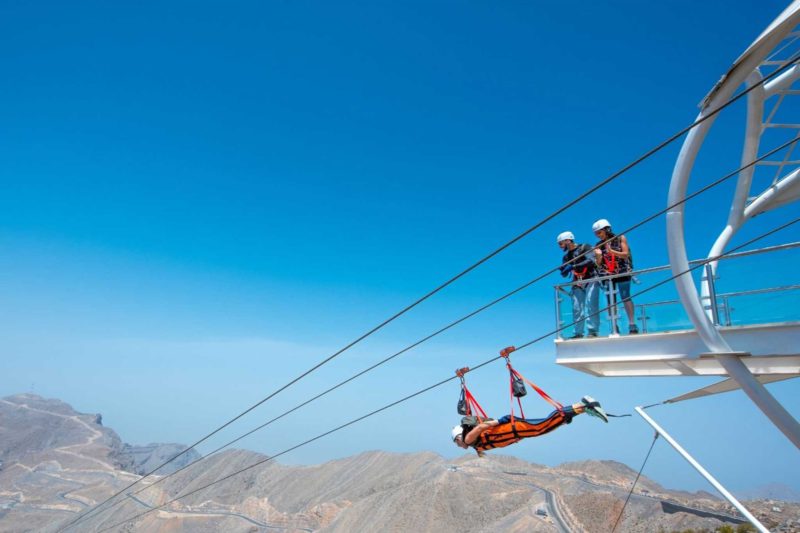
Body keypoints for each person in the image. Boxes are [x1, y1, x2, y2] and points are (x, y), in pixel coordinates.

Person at [451, 396, 608, 455]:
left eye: (457, 442)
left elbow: (480, 427)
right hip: (515, 432)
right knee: (544, 427)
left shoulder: (469, 439)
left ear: (459, 437)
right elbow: (499, 441)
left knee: (542, 426)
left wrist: (499, 421)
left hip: (512, 428)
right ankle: (580, 409)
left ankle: (582, 405)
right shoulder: (476, 445)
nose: (459, 445)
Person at [592, 219, 638, 335]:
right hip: (608, 275)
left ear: (606, 230)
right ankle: (614, 325)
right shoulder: (598, 245)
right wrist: (598, 256)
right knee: (610, 301)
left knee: (625, 297)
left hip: (622, 271)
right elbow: (598, 264)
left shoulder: (620, 238)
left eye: (599, 232)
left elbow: (625, 254)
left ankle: (632, 324)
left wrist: (611, 251)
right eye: (596, 234)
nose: (598, 236)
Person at [557, 231, 600, 339]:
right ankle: (578, 332)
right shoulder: (566, 257)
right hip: (577, 282)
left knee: (591, 305)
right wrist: (563, 270)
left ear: (568, 240)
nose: (560, 246)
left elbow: (590, 260)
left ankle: (592, 330)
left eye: (561, 243)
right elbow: (564, 274)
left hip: (591, 279)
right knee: (577, 308)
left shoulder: (584, 247)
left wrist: (573, 266)